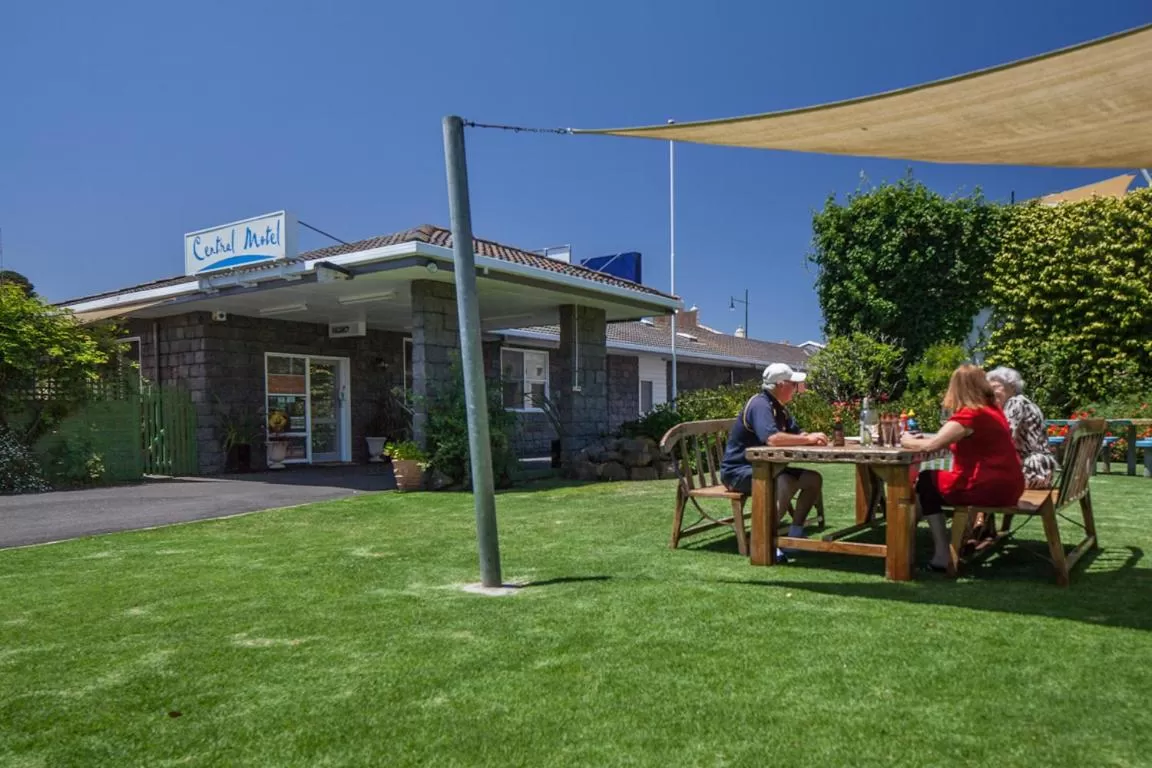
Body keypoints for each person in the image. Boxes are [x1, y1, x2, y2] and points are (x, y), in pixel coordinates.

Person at [900, 364, 1024, 571]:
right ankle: (906, 535)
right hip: (1009, 486)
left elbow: (932, 445)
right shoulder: (992, 410)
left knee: (926, 481)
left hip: (987, 487)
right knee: (928, 485)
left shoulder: (971, 414)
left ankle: (940, 553)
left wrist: (905, 440)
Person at [720, 363, 827, 542]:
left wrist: (810, 437)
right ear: (780, 385)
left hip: (767, 468)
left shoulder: (779, 408)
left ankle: (795, 534)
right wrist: (808, 440)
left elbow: (795, 433)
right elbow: (773, 439)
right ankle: (762, 540)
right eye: (793, 384)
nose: (795, 388)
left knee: (813, 479)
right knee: (784, 482)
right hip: (738, 472)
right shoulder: (760, 405)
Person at [986, 366, 1058, 489]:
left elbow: (1005, 436)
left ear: (1012, 388)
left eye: (996, 387)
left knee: (980, 484)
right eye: (989, 389)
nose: (992, 393)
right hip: (1041, 469)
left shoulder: (1015, 402)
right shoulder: (1024, 402)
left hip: (1031, 470)